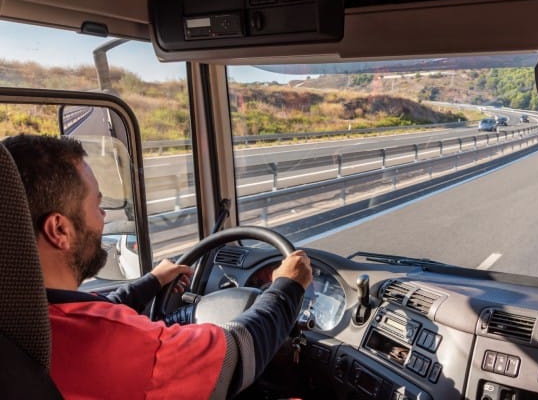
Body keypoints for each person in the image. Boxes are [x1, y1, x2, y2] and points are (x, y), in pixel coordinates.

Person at [3, 134, 312, 399]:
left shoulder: (23, 318)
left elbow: (94, 314)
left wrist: (151, 281)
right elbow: (235, 358)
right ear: (59, 230)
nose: (103, 218)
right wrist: (287, 286)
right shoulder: (110, 342)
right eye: (97, 206)